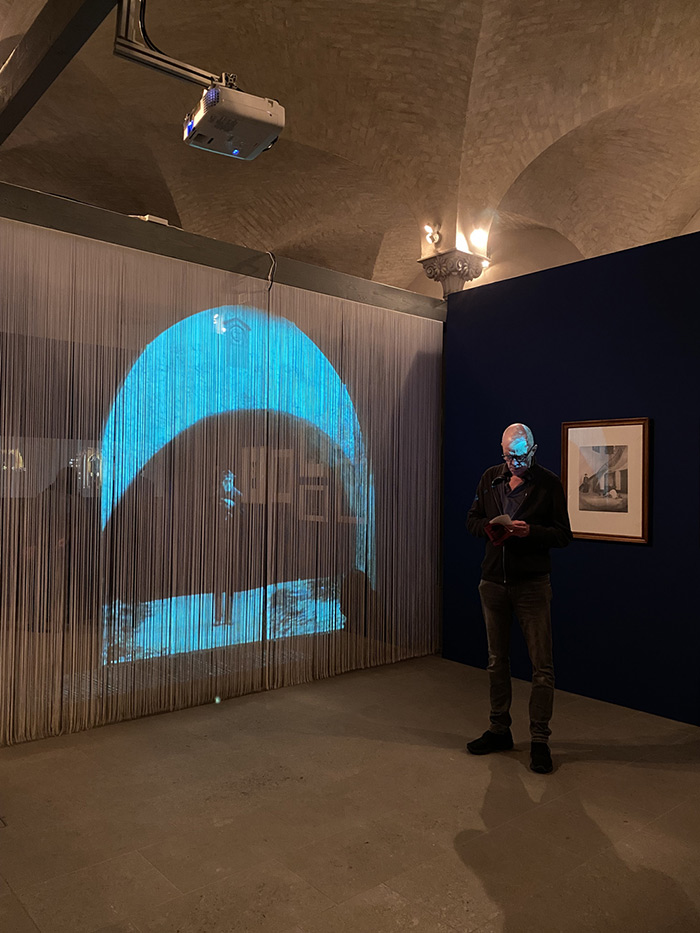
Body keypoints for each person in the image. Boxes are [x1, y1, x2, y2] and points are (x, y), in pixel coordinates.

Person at [466, 423, 572, 773]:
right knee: (497, 660)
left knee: (541, 665)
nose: (515, 463)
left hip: (532, 585)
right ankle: (499, 728)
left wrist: (531, 533)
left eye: (521, 457)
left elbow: (563, 535)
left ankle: (540, 739)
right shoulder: (490, 478)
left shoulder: (549, 483)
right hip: (493, 581)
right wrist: (490, 528)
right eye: (509, 456)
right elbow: (471, 520)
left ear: (533, 451)